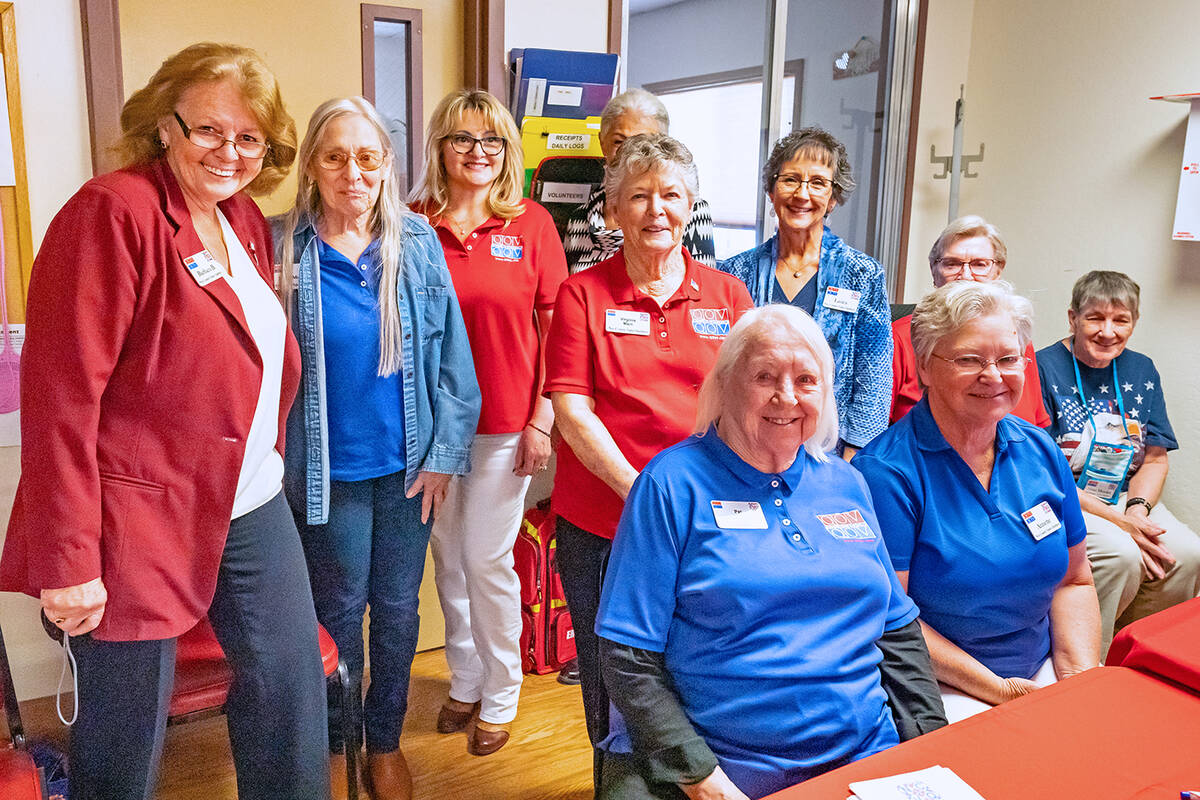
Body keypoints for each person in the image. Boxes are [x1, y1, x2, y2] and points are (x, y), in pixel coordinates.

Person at [0, 43, 328, 799]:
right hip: (134, 513)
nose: (230, 152)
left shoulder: (242, 218)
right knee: (126, 723)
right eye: (209, 129)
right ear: (163, 126)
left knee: (289, 690)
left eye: (250, 138)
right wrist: (70, 560)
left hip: (247, 498)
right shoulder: (112, 212)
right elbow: (62, 399)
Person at [596, 304, 945, 800]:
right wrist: (704, 781)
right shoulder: (671, 485)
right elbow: (628, 656)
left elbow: (897, 629)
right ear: (726, 384)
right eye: (765, 376)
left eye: (806, 380)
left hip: (866, 754)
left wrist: (935, 745)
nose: (787, 398)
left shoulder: (847, 482)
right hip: (725, 766)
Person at [275, 96, 481, 800]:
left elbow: (454, 362)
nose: (352, 172)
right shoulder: (284, 249)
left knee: (396, 610)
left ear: (387, 166)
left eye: (367, 157)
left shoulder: (417, 244)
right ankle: (339, 743)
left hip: (406, 472)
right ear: (311, 165)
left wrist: (446, 456)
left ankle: (384, 741)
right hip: (324, 474)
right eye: (335, 156)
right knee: (335, 613)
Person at [544, 132, 754, 791]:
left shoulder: (729, 296)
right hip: (607, 524)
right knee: (615, 676)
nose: (655, 209)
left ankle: (692, 779)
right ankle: (618, 783)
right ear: (611, 211)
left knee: (696, 663)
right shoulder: (583, 296)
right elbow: (574, 412)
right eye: (638, 196)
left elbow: (746, 404)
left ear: (689, 204)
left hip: (709, 522)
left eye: (670, 195)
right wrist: (645, 495)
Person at [855, 280, 1100, 723]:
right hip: (944, 686)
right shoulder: (886, 473)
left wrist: (1078, 679)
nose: (994, 375)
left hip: (1043, 671)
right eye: (969, 359)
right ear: (925, 367)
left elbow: (1074, 581)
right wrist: (1000, 691)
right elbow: (892, 622)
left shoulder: (1040, 450)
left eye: (1008, 359)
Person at [409, 89, 567, 756]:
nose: (478, 153)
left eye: (492, 141)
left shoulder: (531, 225)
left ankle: (502, 693)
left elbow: (557, 329)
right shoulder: (414, 221)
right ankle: (466, 681)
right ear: (439, 147)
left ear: (508, 152)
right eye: (463, 139)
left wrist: (543, 418)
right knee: (447, 559)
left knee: (486, 559)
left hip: (506, 422)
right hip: (428, 429)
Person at [1037, 270, 1200, 658]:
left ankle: (1137, 654)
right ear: (1072, 318)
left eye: (1121, 320)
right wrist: (1120, 524)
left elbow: (1156, 457)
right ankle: (1087, 657)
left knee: (1187, 554)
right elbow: (1040, 468)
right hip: (1065, 494)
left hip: (1126, 494)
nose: (1107, 331)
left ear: (1134, 323)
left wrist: (1137, 511)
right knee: (1120, 554)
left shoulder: (1141, 369)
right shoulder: (1041, 366)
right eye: (1095, 318)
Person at [717, 127, 890, 457]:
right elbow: (724, 370)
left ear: (833, 198)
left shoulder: (862, 274)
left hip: (831, 450)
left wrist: (850, 460)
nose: (802, 194)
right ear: (772, 191)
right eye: (790, 180)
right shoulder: (734, 273)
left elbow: (874, 377)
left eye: (818, 183)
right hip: (745, 444)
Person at [891, 215, 1050, 425]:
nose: (965, 276)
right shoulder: (898, 338)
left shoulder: (1016, 340)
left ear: (997, 271)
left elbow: (1035, 424)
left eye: (979, 264)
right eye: (952, 264)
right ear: (934, 271)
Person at [562, 88, 715, 273]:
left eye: (642, 142)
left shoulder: (689, 210)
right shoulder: (580, 218)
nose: (630, 152)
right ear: (602, 142)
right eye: (619, 141)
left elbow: (704, 285)